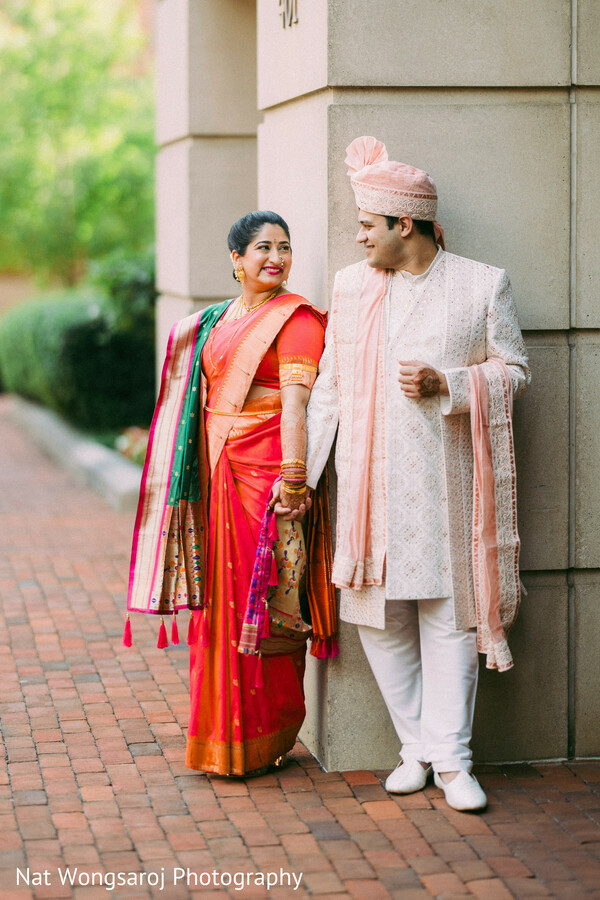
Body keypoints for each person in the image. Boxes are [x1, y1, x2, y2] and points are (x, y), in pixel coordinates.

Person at [303, 137, 530, 811]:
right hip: (371, 485)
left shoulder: (482, 282)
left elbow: (515, 372)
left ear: (406, 224)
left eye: (368, 224)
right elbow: (331, 388)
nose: (358, 234)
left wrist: (451, 384)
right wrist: (304, 477)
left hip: (450, 482)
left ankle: (454, 761)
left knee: (450, 614)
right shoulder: (350, 288)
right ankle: (418, 751)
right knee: (377, 617)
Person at [125, 211, 337, 776]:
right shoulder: (218, 322)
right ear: (236, 259)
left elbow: (296, 405)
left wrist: (294, 478)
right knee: (217, 612)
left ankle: (264, 738)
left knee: (263, 605)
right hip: (218, 477)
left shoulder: (295, 320)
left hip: (267, 481)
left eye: (285, 247)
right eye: (263, 248)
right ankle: (218, 739)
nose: (276, 258)